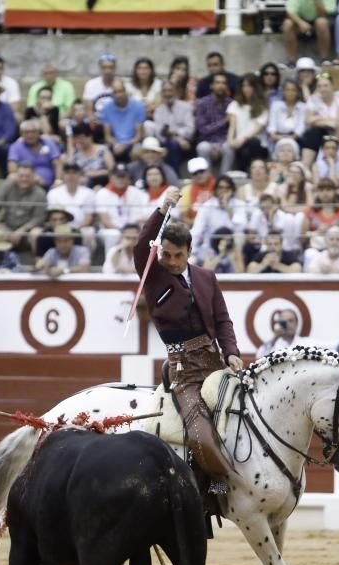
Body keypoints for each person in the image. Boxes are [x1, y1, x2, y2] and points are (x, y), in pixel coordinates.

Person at [135, 186, 239, 496]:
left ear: (189, 251)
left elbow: (222, 320)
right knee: (198, 427)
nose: (171, 261)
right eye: (166, 254)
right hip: (183, 372)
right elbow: (143, 245)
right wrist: (162, 208)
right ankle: (215, 485)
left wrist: (232, 352)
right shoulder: (153, 277)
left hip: (215, 362)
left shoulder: (207, 277)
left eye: (178, 255)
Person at [0, 163, 48, 252]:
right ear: (16, 176)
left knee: (36, 234)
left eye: (27, 176)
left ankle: (37, 262)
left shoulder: (40, 193)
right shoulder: (7, 186)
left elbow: (38, 218)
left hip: (27, 230)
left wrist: (23, 230)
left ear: (33, 177)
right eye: (21, 176)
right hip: (7, 226)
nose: (24, 179)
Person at [226, 74, 270, 173]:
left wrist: (243, 139)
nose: (246, 89)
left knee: (253, 144)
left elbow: (258, 127)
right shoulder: (234, 105)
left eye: (249, 86)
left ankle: (247, 172)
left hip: (257, 144)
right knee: (231, 148)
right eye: (244, 86)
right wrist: (230, 140)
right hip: (239, 143)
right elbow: (232, 126)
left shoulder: (263, 106)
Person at [195, 73, 234, 175]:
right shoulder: (202, 103)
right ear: (211, 86)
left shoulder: (231, 104)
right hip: (208, 141)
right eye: (217, 83)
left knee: (229, 147)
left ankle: (225, 178)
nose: (220, 86)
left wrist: (219, 146)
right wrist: (224, 121)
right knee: (202, 147)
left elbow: (233, 129)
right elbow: (203, 130)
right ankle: (208, 180)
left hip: (224, 141)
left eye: (223, 83)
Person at [151, 83, 194, 173]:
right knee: (170, 144)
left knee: (172, 144)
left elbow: (190, 130)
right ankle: (173, 174)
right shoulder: (159, 110)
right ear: (162, 94)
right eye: (165, 91)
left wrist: (173, 133)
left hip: (187, 143)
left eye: (170, 90)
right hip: (168, 143)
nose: (167, 94)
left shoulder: (186, 107)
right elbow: (160, 134)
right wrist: (177, 138)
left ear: (176, 92)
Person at [7, 119, 63, 189]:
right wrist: (32, 178)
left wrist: (58, 180)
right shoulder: (15, 147)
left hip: (50, 184)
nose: (30, 135)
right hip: (26, 182)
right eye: (27, 132)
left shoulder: (48, 142)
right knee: (11, 178)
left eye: (33, 132)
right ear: (21, 134)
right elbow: (12, 170)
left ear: (39, 132)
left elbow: (57, 164)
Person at [100, 80, 146, 165]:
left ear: (126, 91)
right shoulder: (106, 108)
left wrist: (125, 145)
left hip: (132, 143)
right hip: (115, 143)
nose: (118, 95)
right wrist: (116, 144)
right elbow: (107, 136)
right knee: (102, 152)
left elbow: (139, 135)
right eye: (115, 92)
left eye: (121, 91)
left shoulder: (138, 106)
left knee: (138, 151)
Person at [282, 0, 335, 67]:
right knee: (287, 24)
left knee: (322, 22)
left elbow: (324, 15)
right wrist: (300, 23)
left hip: (318, 20)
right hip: (299, 21)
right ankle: (291, 62)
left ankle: (325, 59)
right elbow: (290, 12)